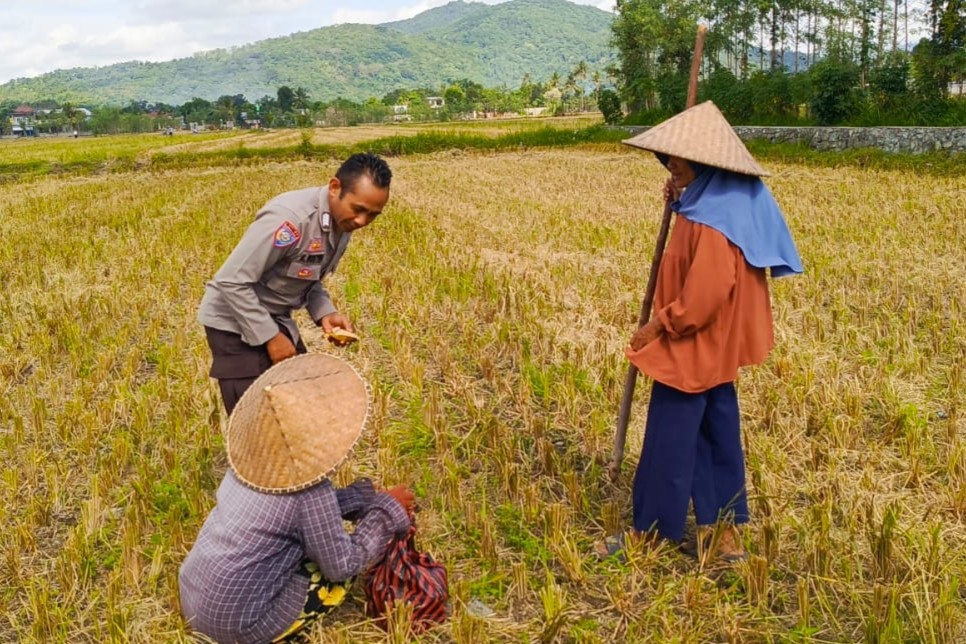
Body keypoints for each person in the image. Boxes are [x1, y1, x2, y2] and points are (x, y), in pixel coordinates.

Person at [616, 101, 803, 561]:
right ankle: (723, 532)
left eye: (677, 161)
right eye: (668, 161)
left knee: (671, 436)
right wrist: (680, 197)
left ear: (703, 163)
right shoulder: (717, 204)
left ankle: (653, 531)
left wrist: (657, 326)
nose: (670, 167)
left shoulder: (713, 221)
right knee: (715, 430)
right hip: (715, 349)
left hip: (693, 343)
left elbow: (705, 295)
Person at [179, 353, 415, 643]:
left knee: (310, 541)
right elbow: (342, 564)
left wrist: (362, 496)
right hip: (237, 627)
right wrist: (387, 510)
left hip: (193, 598)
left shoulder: (247, 466)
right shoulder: (309, 492)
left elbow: (294, 517)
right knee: (332, 575)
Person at [198, 152, 392, 414]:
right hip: (234, 323)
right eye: (358, 209)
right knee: (260, 424)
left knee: (296, 411)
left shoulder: (341, 224)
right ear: (335, 187)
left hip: (274, 318)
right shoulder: (289, 220)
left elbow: (307, 276)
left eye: (372, 215)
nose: (362, 221)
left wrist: (326, 313)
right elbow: (231, 282)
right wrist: (270, 337)